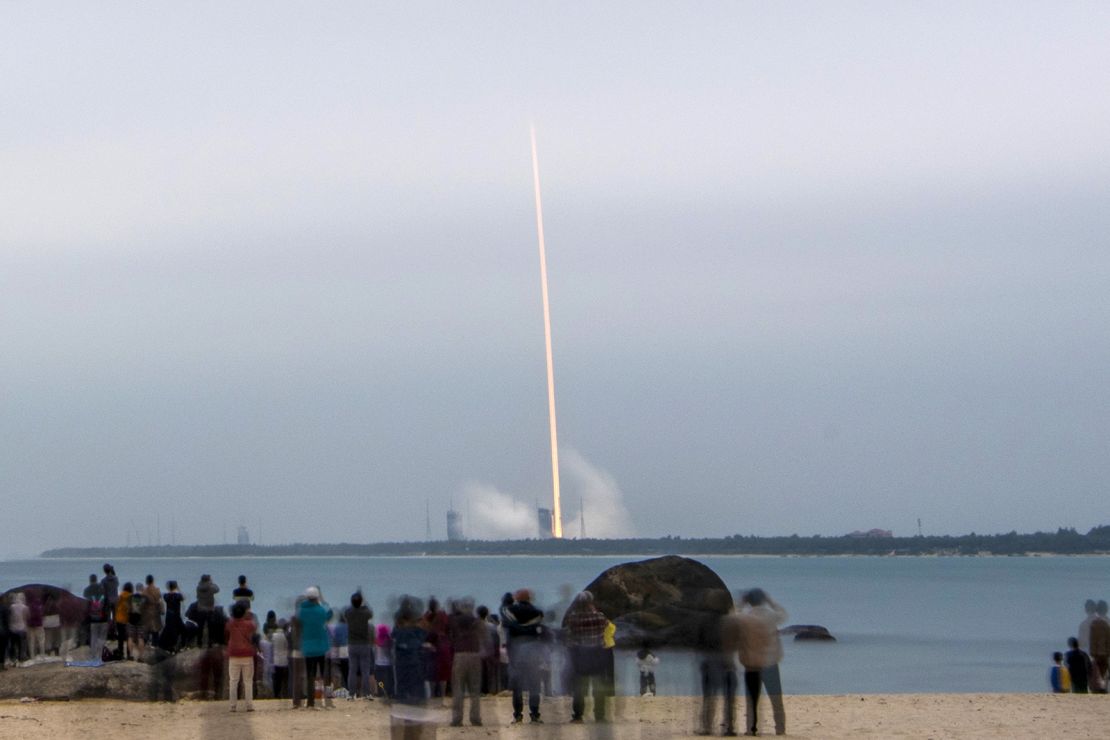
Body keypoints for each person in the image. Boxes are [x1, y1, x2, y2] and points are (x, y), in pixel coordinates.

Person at [735, 588, 787, 738]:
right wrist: (771, 601)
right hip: (770, 662)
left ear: (749, 602)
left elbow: (733, 616)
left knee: (752, 701)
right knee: (776, 699)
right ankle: (780, 728)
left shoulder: (745, 618)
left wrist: (741, 603)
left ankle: (752, 729)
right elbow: (783, 614)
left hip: (751, 664)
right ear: (762, 601)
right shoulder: (772, 617)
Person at [562, 590, 610, 723]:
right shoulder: (600, 617)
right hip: (597, 654)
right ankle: (599, 716)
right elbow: (606, 626)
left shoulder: (573, 618)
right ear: (590, 602)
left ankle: (578, 716)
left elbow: (570, 637)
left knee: (579, 688)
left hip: (581, 655)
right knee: (598, 687)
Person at [696, 589, 738, 736]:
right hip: (727, 660)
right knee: (729, 698)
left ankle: (707, 727)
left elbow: (699, 642)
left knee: (709, 696)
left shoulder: (705, 620)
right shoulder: (731, 621)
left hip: (710, 660)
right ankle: (729, 727)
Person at [502, 588, 546, 724]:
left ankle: (518, 715)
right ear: (529, 598)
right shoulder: (537, 613)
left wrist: (518, 629)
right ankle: (534, 714)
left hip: (516, 652)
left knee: (517, 687)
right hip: (533, 652)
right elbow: (540, 631)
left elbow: (509, 626)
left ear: (517, 598)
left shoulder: (509, 611)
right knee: (534, 685)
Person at [447, 597, 484, 727]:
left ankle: (457, 719)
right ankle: (475, 718)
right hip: (474, 655)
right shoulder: (477, 622)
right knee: (474, 690)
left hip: (459, 655)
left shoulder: (454, 621)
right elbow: (484, 638)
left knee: (458, 689)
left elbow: (449, 637)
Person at [297, 586, 332, 708]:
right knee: (323, 674)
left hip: (307, 647)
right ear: (317, 597)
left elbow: (299, 622)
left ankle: (310, 701)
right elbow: (329, 614)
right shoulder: (321, 610)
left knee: (310, 675)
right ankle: (326, 700)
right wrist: (322, 601)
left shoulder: (302, 611)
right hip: (321, 646)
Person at [226, 601, 257, 712]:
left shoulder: (230, 624)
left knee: (233, 681)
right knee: (248, 681)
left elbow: (226, 631)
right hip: (247, 655)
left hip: (234, 655)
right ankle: (249, 705)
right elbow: (254, 627)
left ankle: (232, 706)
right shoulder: (249, 624)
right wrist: (247, 615)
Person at [345, 592, 375, 700]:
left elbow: (348, 610)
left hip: (352, 644)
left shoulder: (349, 613)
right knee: (365, 670)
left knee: (352, 670)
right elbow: (371, 613)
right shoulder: (365, 613)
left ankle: (351, 694)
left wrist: (356, 604)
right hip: (364, 644)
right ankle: (366, 693)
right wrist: (365, 603)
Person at [83, 575, 109, 662]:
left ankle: (93, 656)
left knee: (93, 637)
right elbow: (106, 603)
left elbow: (86, 604)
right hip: (103, 617)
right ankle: (100, 655)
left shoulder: (87, 590)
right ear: (96, 580)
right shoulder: (103, 589)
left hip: (93, 618)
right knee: (102, 637)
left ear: (90, 580)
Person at [1089, 600, 1110, 693]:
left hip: (1096, 652)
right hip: (1105, 652)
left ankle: (1098, 688)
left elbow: (1092, 639)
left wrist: (1092, 651)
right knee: (1104, 672)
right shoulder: (1107, 622)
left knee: (1097, 672)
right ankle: (1104, 688)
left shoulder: (1094, 623)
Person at [160, 581, 185, 652]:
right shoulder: (177, 596)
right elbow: (183, 597)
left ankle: (169, 647)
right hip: (176, 616)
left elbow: (165, 597)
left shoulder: (166, 596)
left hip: (168, 616)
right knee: (183, 631)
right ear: (175, 587)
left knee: (168, 632)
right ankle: (181, 646)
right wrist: (179, 589)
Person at [195, 575, 220, 648]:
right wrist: (212, 583)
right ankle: (210, 643)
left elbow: (197, 596)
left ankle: (199, 642)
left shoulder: (198, 587)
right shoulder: (211, 587)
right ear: (208, 580)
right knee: (211, 627)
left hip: (200, 609)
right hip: (210, 609)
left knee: (200, 627)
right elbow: (218, 589)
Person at [140, 575, 163, 647]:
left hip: (146, 614)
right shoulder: (157, 590)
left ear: (146, 581)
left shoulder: (144, 591)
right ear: (153, 581)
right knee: (155, 632)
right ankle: (155, 648)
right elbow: (160, 601)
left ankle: (143, 648)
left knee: (145, 633)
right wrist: (161, 610)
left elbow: (141, 604)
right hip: (155, 613)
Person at [8, 593, 29, 664]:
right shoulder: (25, 607)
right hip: (22, 628)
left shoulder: (11, 607)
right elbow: (26, 618)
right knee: (21, 645)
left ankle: (13, 658)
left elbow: (10, 617)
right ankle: (21, 658)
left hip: (13, 628)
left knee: (13, 644)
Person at [271, 619, 290, 699]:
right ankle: (285, 695)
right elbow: (288, 647)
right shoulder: (286, 635)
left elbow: (272, 647)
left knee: (277, 680)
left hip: (276, 661)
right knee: (285, 680)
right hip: (285, 661)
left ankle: (276, 695)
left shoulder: (273, 636)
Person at [374, 622, 394, 698]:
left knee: (380, 680)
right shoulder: (389, 640)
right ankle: (390, 693)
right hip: (389, 664)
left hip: (378, 663)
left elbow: (375, 652)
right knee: (389, 680)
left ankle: (381, 692)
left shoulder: (377, 640)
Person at [114, 582, 133, 660]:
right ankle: (129, 654)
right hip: (127, 619)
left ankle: (120, 653)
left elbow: (116, 606)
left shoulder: (120, 595)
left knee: (120, 637)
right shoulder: (131, 596)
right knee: (129, 637)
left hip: (119, 618)